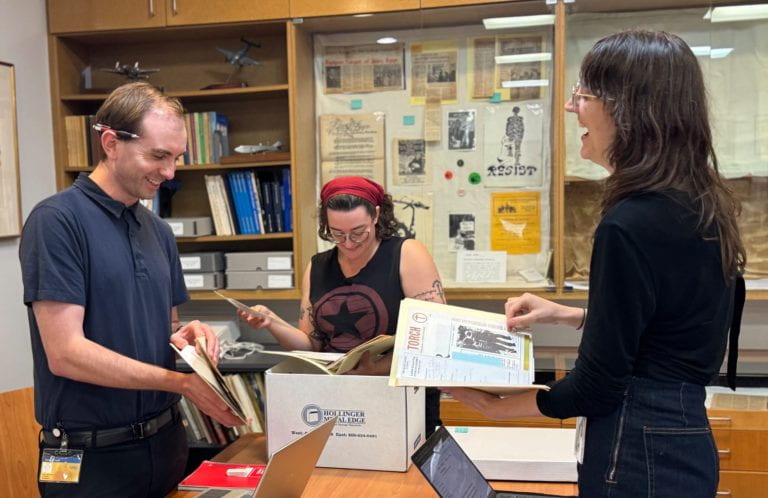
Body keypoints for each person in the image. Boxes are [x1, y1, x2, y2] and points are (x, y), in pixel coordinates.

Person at [444, 30, 746, 497]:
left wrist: (495, 406)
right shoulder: (700, 203)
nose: (572, 107)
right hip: (682, 437)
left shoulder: (629, 224)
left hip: (636, 446)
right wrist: (570, 315)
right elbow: (668, 327)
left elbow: (597, 388)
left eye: (583, 94)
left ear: (629, 109)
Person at [20, 82, 243, 498]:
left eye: (175, 158)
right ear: (111, 143)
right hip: (87, 460)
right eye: (158, 156)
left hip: (166, 444)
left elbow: (166, 330)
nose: (171, 173)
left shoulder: (157, 231)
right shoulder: (56, 221)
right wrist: (180, 384)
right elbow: (66, 354)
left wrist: (187, 342)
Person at [239, 176, 446, 435]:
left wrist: (376, 368)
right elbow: (311, 345)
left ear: (376, 215)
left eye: (358, 232)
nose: (348, 243)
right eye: (337, 234)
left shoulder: (406, 253)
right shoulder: (318, 266)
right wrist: (272, 322)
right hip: (340, 401)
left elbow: (435, 339)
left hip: (401, 400)